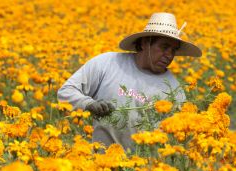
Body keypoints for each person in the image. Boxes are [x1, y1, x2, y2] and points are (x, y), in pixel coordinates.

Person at [57, 12, 202, 151]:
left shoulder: (175, 91)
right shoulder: (107, 63)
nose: (169, 55)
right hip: (98, 166)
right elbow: (66, 92)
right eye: (164, 47)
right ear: (145, 42)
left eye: (174, 50)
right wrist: (88, 104)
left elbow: (178, 136)